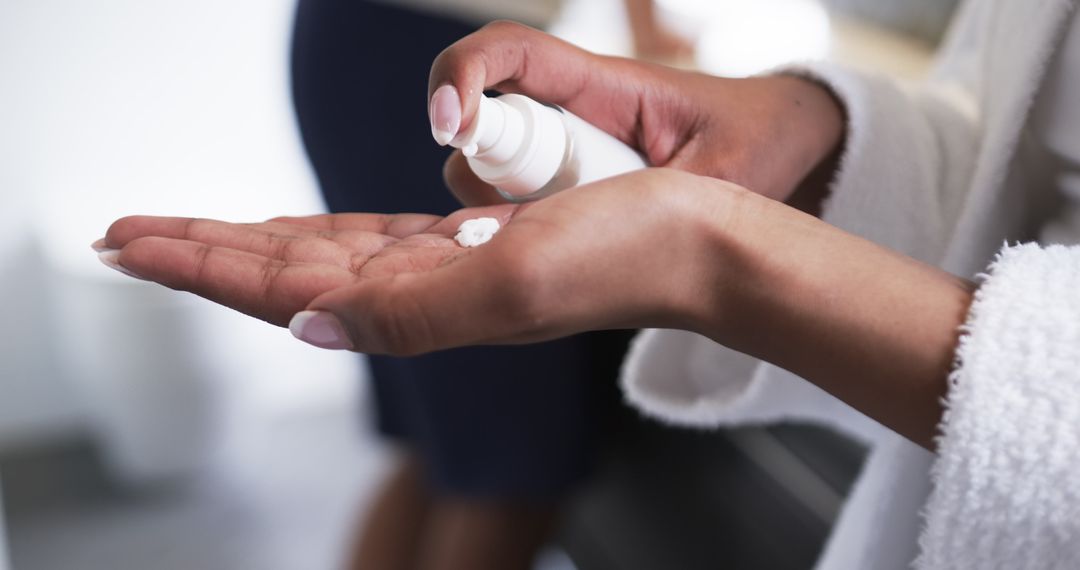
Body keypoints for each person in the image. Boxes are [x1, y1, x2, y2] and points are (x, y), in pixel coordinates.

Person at [96, 0, 1080, 566]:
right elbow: (1017, 134)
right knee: (488, 464)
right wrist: (812, 124)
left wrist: (717, 252)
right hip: (409, 44)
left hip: (358, 38)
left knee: (469, 458)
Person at [289, 1, 688, 568]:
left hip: (375, 40)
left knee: (450, 445)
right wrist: (649, 30)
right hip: (433, 56)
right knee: (511, 469)